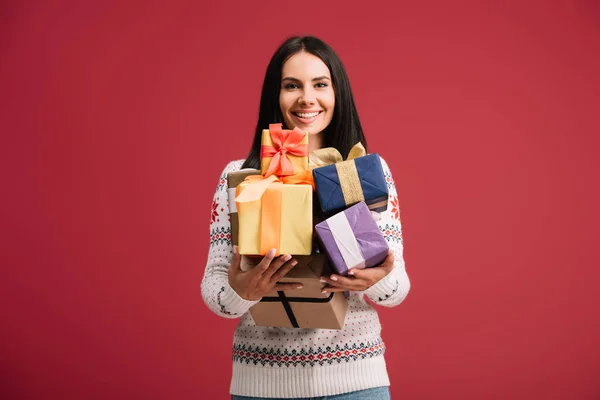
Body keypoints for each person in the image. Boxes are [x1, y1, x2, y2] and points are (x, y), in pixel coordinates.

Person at [201, 35, 411, 400]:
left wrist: (371, 280)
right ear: (275, 96)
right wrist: (242, 293)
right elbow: (215, 291)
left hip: (355, 383)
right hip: (260, 385)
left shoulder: (362, 173)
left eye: (320, 84)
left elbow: (398, 290)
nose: (306, 98)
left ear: (337, 93)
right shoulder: (242, 177)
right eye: (291, 85)